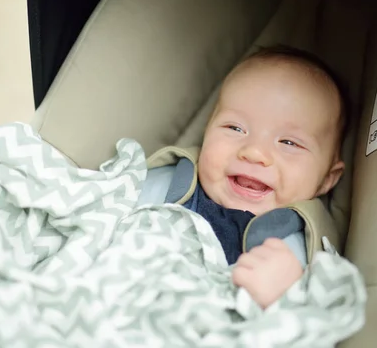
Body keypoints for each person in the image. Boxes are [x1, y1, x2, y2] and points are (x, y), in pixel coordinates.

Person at [138, 44, 349, 309]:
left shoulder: (302, 258)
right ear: (208, 131)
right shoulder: (166, 183)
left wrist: (286, 300)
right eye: (235, 127)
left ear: (327, 179)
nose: (254, 152)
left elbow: (314, 328)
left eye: (289, 143)